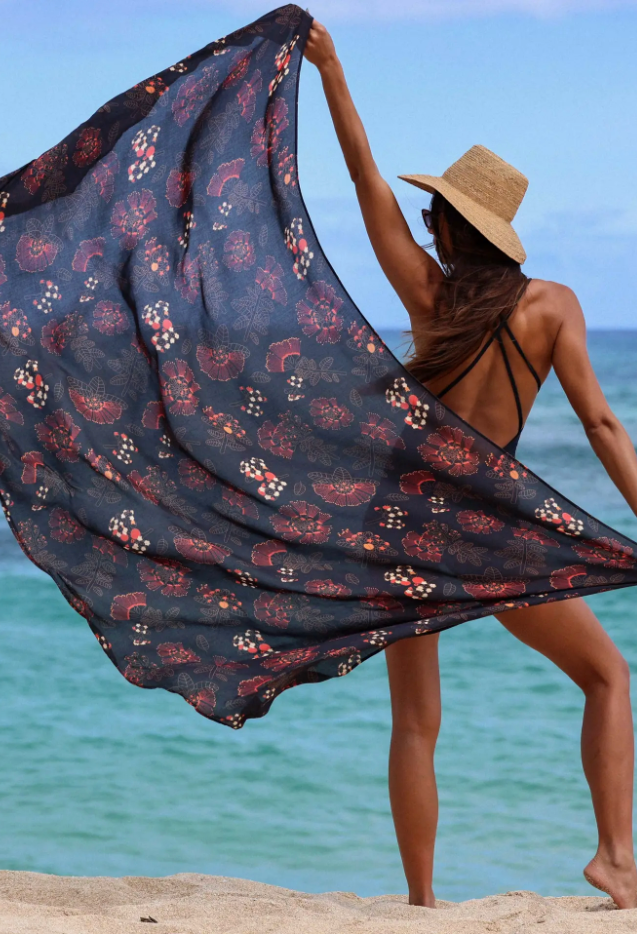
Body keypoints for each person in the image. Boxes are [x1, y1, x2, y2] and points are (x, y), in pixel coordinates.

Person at [302, 17, 637, 911]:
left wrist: (331, 69)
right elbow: (602, 424)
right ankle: (616, 860)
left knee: (416, 722)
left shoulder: (429, 296)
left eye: (432, 216)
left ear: (453, 227)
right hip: (492, 525)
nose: (424, 225)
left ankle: (421, 903)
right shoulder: (554, 307)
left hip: (404, 522)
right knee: (606, 676)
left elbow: (363, 178)